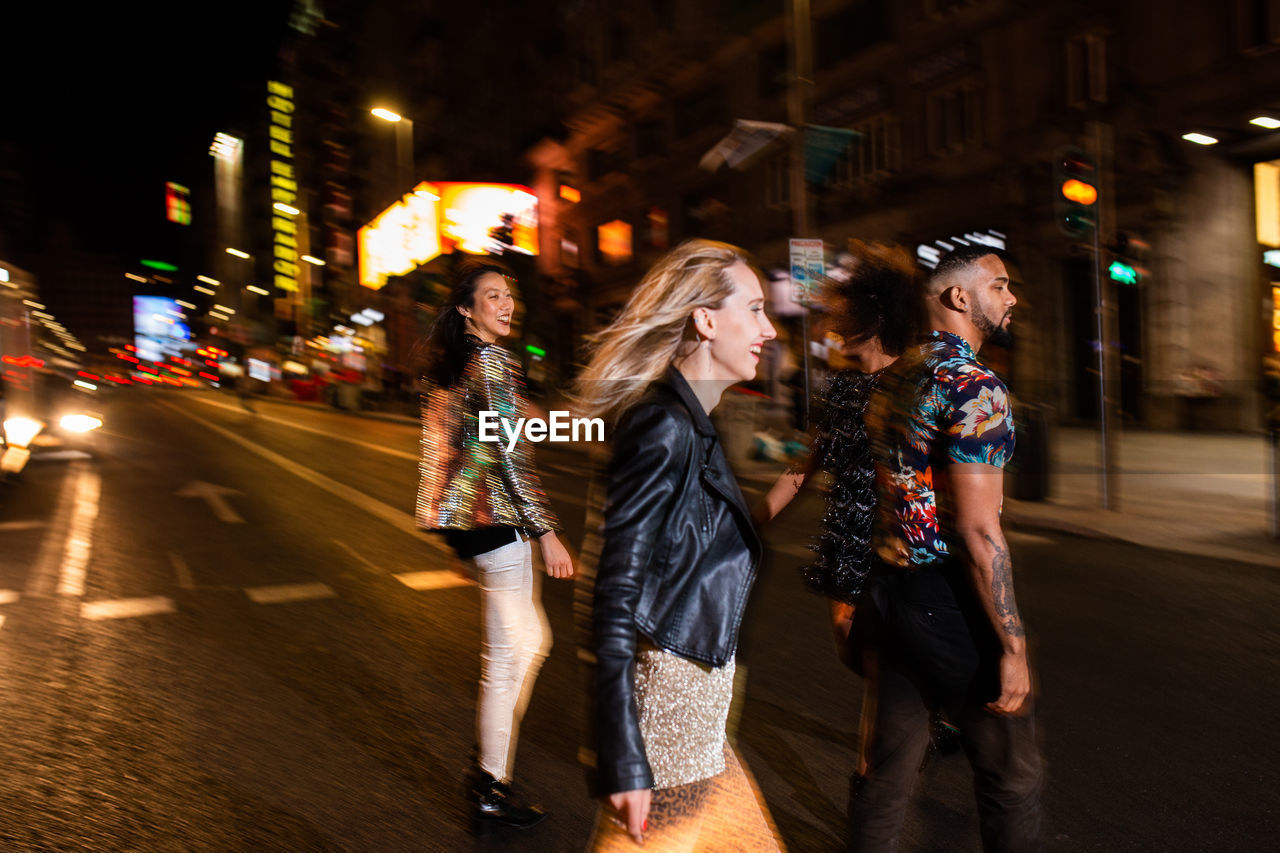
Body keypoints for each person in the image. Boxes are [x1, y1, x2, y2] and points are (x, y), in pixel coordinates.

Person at [575, 239, 784, 850]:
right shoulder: (663, 426)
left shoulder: (691, 419)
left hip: (696, 713)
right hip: (668, 720)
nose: (768, 329)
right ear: (706, 320)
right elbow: (610, 592)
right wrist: (623, 755)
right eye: (754, 309)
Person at [854, 245, 1043, 852]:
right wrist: (1012, 647)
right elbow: (978, 531)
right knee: (1011, 777)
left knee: (886, 774)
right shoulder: (975, 388)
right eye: (1000, 285)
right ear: (960, 298)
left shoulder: (894, 377)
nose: (1011, 298)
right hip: (948, 604)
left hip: (889, 597)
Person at [414, 258, 574, 835]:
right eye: (493, 296)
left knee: (525, 646)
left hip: (470, 524)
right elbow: (509, 457)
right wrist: (548, 531)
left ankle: (488, 773)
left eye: (509, 296)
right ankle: (489, 782)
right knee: (513, 654)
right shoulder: (491, 363)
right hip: (497, 523)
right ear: (467, 308)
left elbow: (465, 446)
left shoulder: (458, 366)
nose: (507, 305)